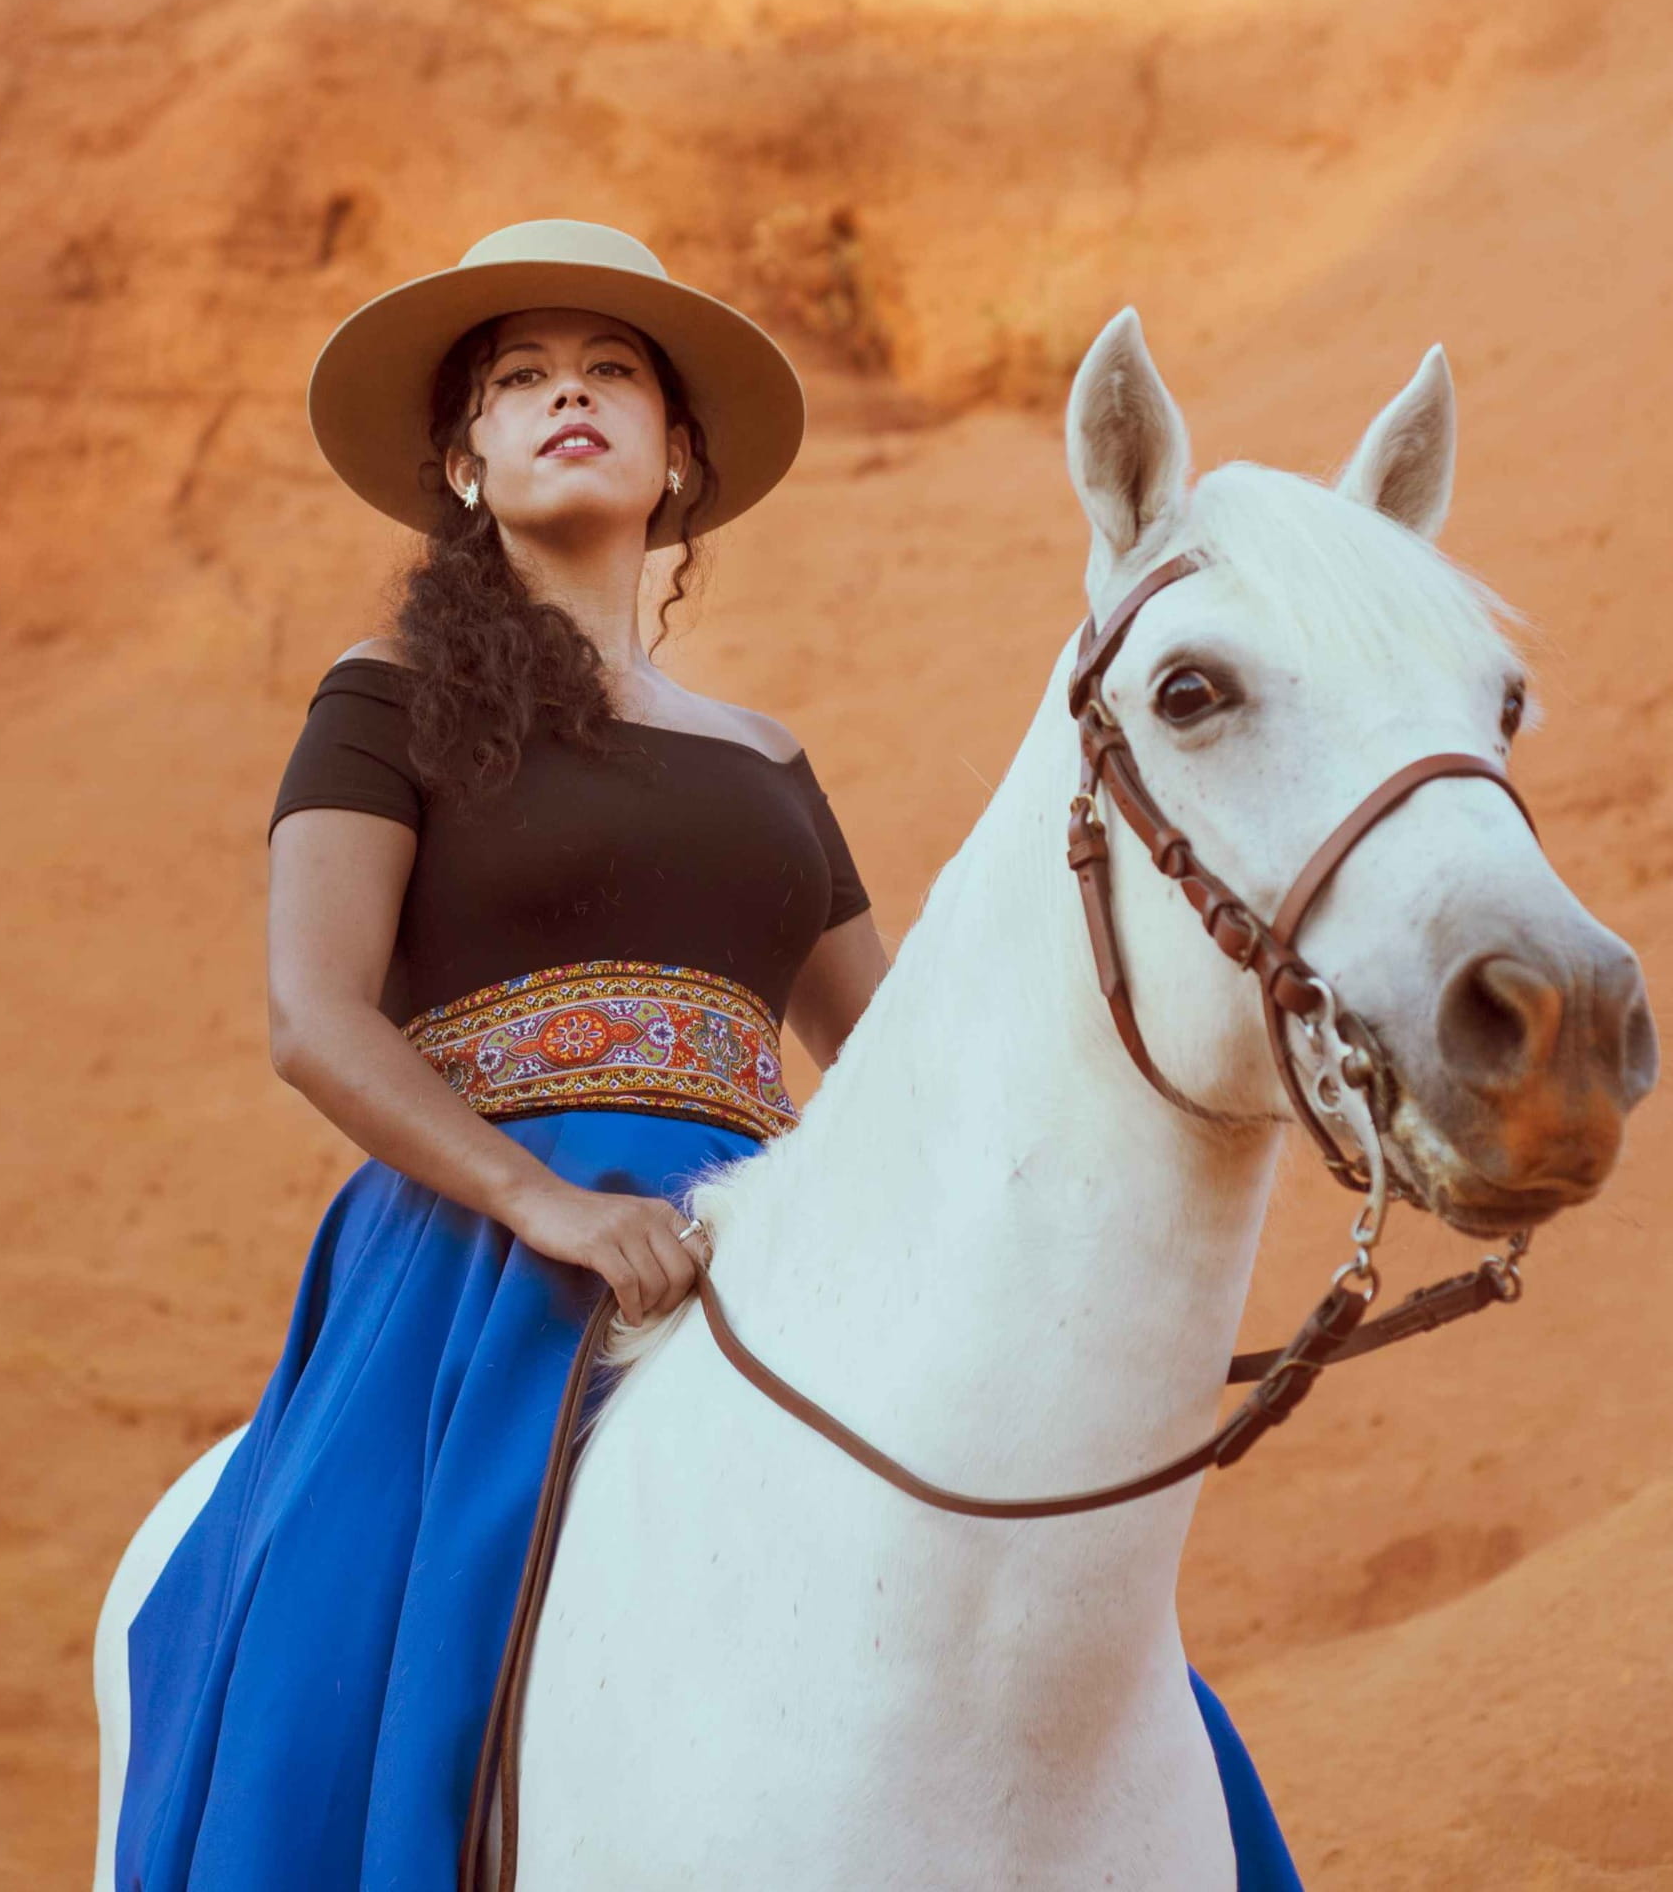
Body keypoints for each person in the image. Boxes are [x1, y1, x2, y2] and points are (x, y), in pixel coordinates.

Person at [107, 218, 1300, 1892]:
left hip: (758, 1240)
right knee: (334, 1639)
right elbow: (317, 1017)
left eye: (611, 373)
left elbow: (893, 1056)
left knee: (1054, 1637)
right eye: (521, 379)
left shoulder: (762, 758)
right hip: (484, 1263)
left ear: (677, 455)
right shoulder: (382, 697)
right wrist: (546, 1204)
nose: (568, 396)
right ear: (462, 460)